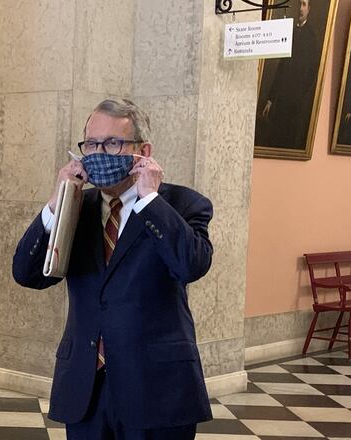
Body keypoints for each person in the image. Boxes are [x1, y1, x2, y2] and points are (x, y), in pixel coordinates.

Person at [13, 98, 213, 439]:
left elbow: (190, 265)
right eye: (91, 143)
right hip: (86, 387)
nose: (98, 152)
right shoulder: (78, 207)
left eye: (113, 143)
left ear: (143, 150)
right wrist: (55, 203)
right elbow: (27, 273)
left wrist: (150, 199)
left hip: (156, 386)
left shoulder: (182, 204)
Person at [257, 0, 319, 148]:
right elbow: (281, 68)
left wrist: (299, 96)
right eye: (299, 4)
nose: (300, 8)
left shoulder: (311, 38)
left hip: (295, 102)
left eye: (304, 5)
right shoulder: (288, 32)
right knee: (272, 138)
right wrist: (270, 99)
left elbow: (311, 73)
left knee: (286, 139)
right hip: (281, 98)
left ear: (309, 9)